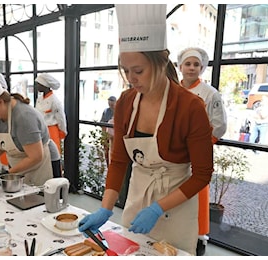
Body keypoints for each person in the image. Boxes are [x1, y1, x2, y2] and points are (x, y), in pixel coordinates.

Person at [78, 4, 214, 254]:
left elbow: (202, 174)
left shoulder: (190, 106)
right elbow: (119, 161)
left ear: (161, 62)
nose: (131, 78)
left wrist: (158, 208)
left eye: (138, 71)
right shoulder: (125, 102)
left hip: (176, 203)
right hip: (138, 196)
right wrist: (106, 207)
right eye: (126, 71)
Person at [177, 47, 227, 255]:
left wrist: (201, 146)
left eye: (196, 64)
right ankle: (176, 232)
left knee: (197, 193)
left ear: (202, 68)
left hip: (197, 151)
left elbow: (219, 124)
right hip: (174, 151)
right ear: (180, 66)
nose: (191, 68)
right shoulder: (171, 88)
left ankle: (199, 237)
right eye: (187, 64)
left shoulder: (210, 93)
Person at [35, 73, 67, 156]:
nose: (37, 86)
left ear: (44, 85)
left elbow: (61, 118)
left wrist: (62, 132)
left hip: (52, 131)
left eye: (39, 84)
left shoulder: (54, 100)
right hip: (40, 130)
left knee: (53, 155)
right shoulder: (39, 99)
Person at [100, 96, 117, 165]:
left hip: (114, 136)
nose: (110, 105)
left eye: (112, 103)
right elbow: (102, 123)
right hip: (107, 134)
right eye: (109, 103)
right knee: (106, 152)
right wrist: (104, 135)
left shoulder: (119, 110)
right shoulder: (106, 111)